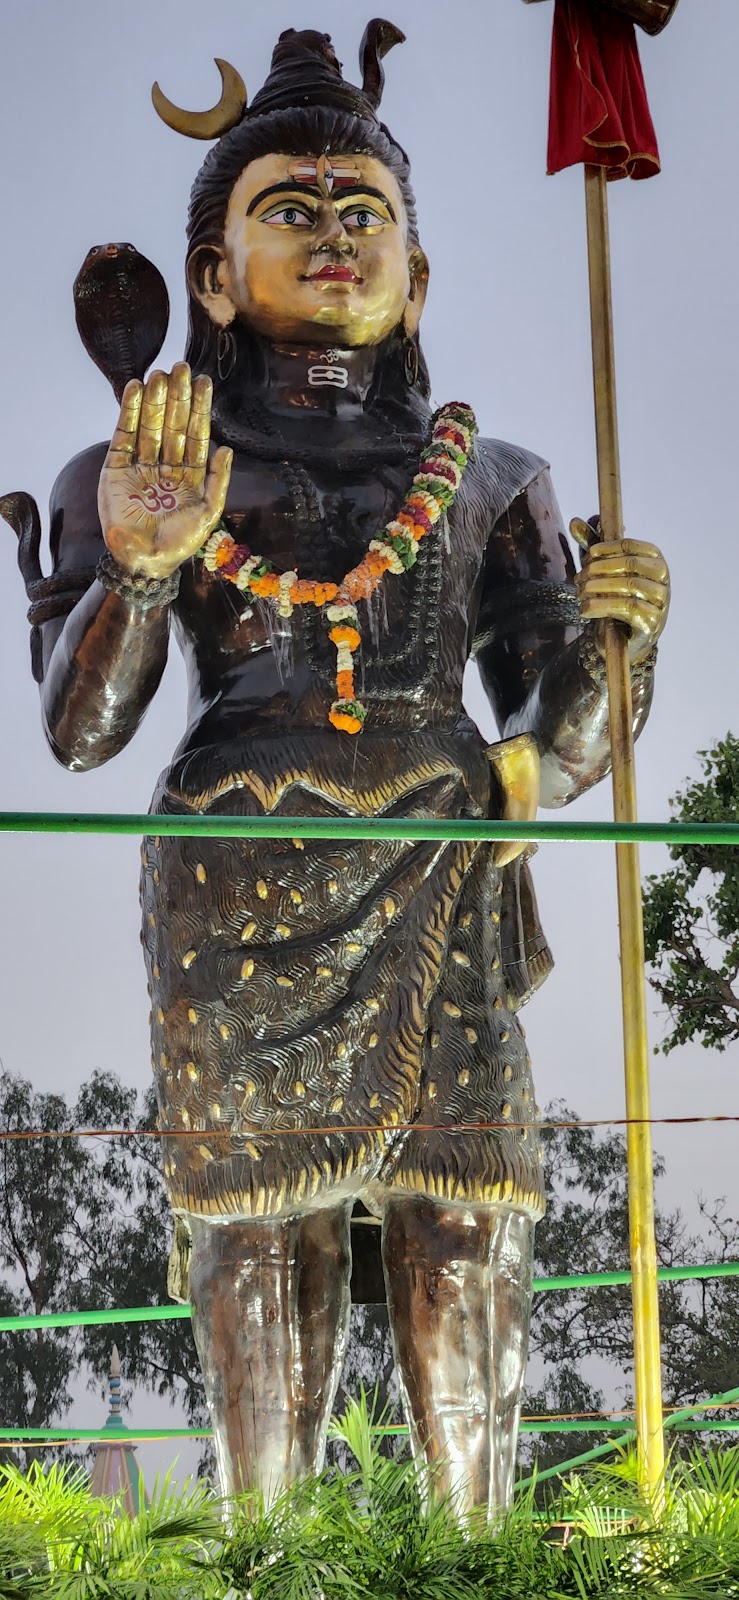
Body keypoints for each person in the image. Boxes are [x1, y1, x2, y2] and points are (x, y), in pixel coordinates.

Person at [3, 24, 669, 1515]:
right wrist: (143, 568)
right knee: (260, 1235)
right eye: (290, 210)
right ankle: (269, 1549)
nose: (333, 238)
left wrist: (619, 646)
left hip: (446, 856)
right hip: (237, 880)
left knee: (472, 1225)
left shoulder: (493, 478)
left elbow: (559, 748)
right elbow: (83, 733)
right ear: (212, 273)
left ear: (417, 275)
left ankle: (475, 1547)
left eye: (363, 212)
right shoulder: (138, 471)